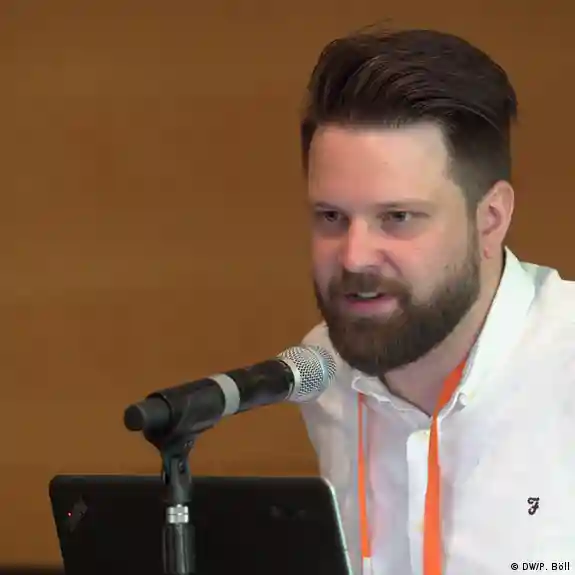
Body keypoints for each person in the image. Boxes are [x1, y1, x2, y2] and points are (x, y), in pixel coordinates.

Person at [297, 25, 575, 575]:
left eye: (397, 217)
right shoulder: (321, 373)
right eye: (331, 216)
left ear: (489, 219)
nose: (354, 257)